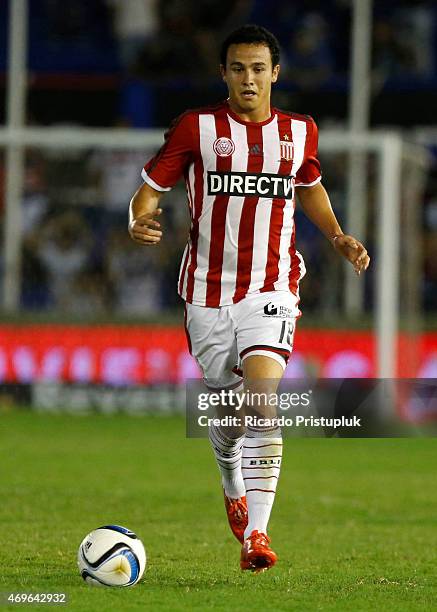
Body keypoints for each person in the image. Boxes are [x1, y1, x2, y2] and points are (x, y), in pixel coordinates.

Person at [128, 24, 370, 573]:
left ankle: (256, 537)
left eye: (259, 69)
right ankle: (229, 476)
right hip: (207, 294)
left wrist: (335, 234)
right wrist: (139, 220)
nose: (249, 79)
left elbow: (307, 183)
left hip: (273, 285)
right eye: (238, 68)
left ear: (275, 73)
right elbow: (150, 189)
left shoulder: (300, 132)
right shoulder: (198, 127)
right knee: (227, 409)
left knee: (263, 399)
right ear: (224, 73)